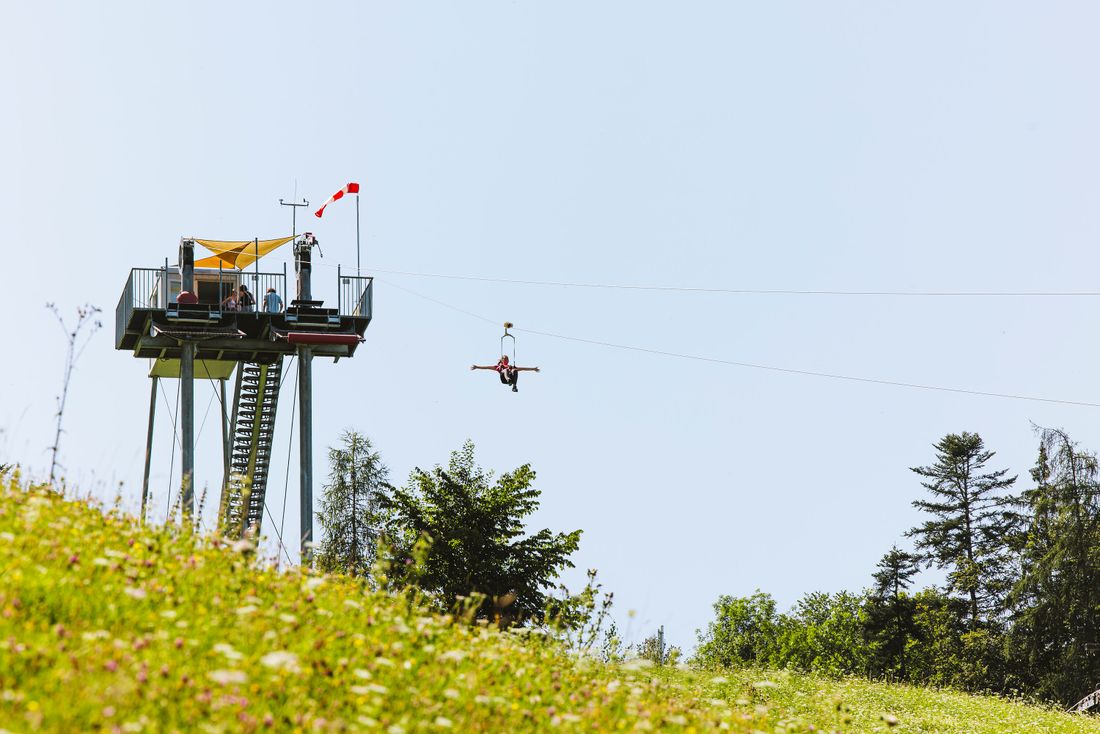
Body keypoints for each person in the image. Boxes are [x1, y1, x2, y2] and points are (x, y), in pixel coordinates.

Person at [470, 355, 540, 392]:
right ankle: (509, 380)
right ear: (502, 360)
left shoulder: (511, 367)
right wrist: (477, 367)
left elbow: (523, 369)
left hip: (511, 380)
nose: (507, 360)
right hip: (504, 379)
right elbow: (487, 367)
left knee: (515, 370)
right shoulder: (498, 367)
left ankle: (514, 386)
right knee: (505, 370)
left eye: (507, 359)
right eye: (505, 359)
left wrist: (533, 369)